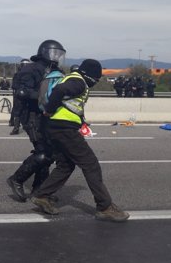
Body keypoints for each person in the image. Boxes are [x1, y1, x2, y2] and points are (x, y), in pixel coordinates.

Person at [30, 59, 130, 222]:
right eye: (96, 78)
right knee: (90, 164)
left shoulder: (72, 78)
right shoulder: (79, 82)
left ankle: (42, 195)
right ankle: (105, 206)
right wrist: (49, 110)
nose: (96, 82)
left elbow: (68, 101)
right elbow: (60, 91)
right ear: (90, 75)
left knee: (66, 165)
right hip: (63, 128)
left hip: (54, 127)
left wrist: (79, 119)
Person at [6, 40, 66, 202]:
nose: (58, 57)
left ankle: (40, 189)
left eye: (60, 54)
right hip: (31, 115)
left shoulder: (55, 71)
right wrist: (43, 98)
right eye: (55, 53)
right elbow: (22, 92)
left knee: (49, 152)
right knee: (44, 152)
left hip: (45, 115)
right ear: (46, 52)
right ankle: (17, 179)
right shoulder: (31, 69)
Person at [9, 59, 30, 134]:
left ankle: (17, 127)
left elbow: (14, 86)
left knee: (19, 111)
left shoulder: (18, 74)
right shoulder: (19, 74)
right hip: (23, 95)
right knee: (19, 111)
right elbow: (14, 86)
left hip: (23, 95)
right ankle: (17, 127)